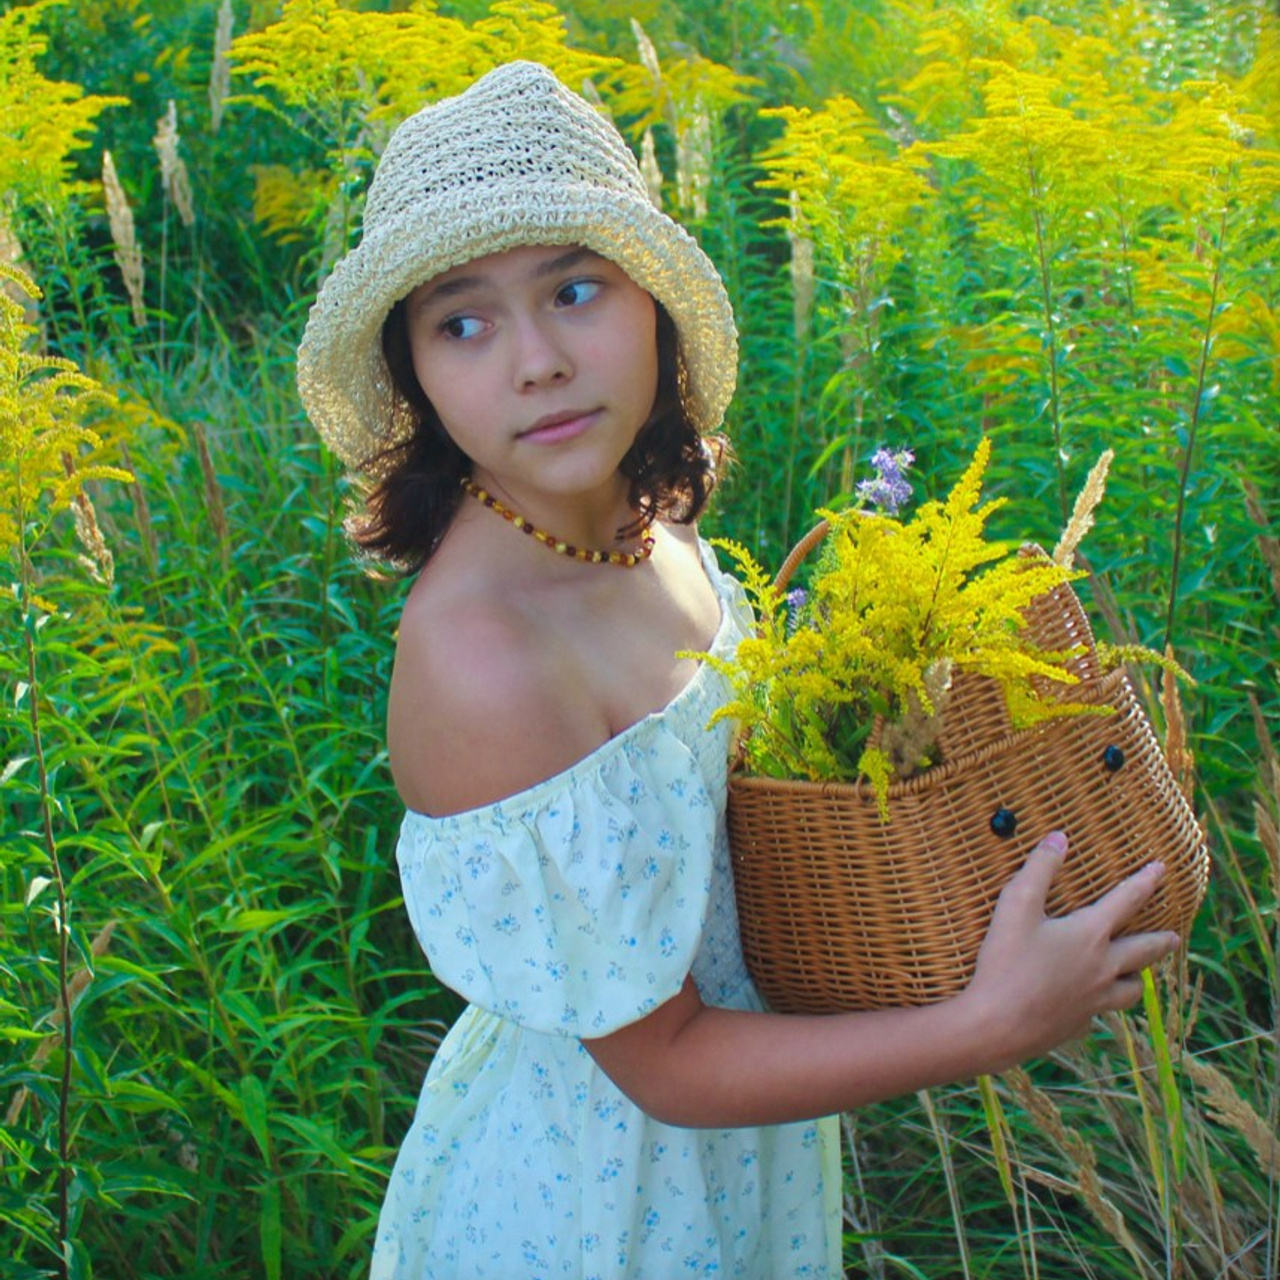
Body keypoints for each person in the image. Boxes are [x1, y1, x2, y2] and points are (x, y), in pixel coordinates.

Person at [296, 61, 1180, 1280]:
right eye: (462, 320)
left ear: (651, 301)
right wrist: (980, 1025)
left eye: (573, 287)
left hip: (740, 1159)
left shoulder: (641, 521)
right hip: (599, 1205)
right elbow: (658, 1060)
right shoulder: (481, 658)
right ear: (415, 375)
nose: (537, 360)